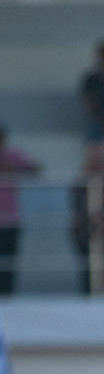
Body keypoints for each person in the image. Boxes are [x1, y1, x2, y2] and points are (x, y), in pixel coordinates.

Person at [70, 143, 104, 295]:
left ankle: (103, 294)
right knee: (86, 266)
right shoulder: (80, 181)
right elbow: (78, 206)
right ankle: (87, 295)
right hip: (85, 230)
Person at [0, 126, 41, 297]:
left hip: (10, 218)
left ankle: (7, 296)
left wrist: (14, 169)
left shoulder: (12, 156)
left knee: (9, 260)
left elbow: (37, 170)